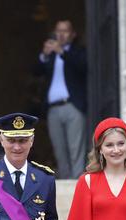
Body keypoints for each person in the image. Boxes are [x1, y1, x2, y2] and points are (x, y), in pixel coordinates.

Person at [34, 20, 87, 179]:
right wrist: (44, 55)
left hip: (72, 106)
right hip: (53, 109)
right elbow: (35, 72)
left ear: (72, 34)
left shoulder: (78, 51)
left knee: (76, 147)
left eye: (65, 31)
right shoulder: (50, 56)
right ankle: (65, 180)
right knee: (59, 149)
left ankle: (78, 182)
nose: (61, 34)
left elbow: (82, 66)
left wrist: (62, 52)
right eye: (58, 31)